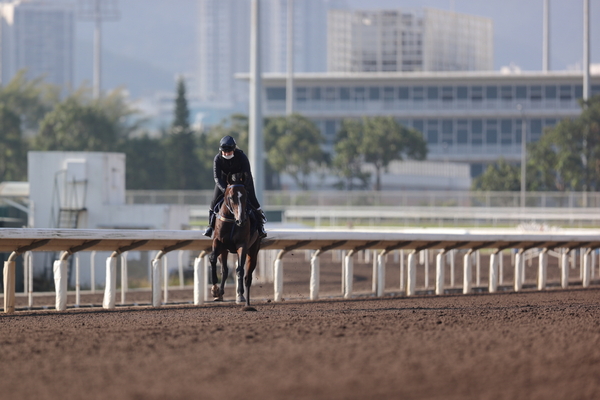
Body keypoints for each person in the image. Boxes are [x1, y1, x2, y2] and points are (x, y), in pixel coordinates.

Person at [203, 135, 267, 238]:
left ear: (234, 149)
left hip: (242, 181)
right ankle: (210, 226)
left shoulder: (242, 157)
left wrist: (244, 188)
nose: (227, 154)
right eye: (225, 152)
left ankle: (260, 226)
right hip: (224, 182)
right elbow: (217, 178)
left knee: (253, 200)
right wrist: (226, 190)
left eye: (229, 152)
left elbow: (247, 174)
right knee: (213, 202)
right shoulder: (217, 159)